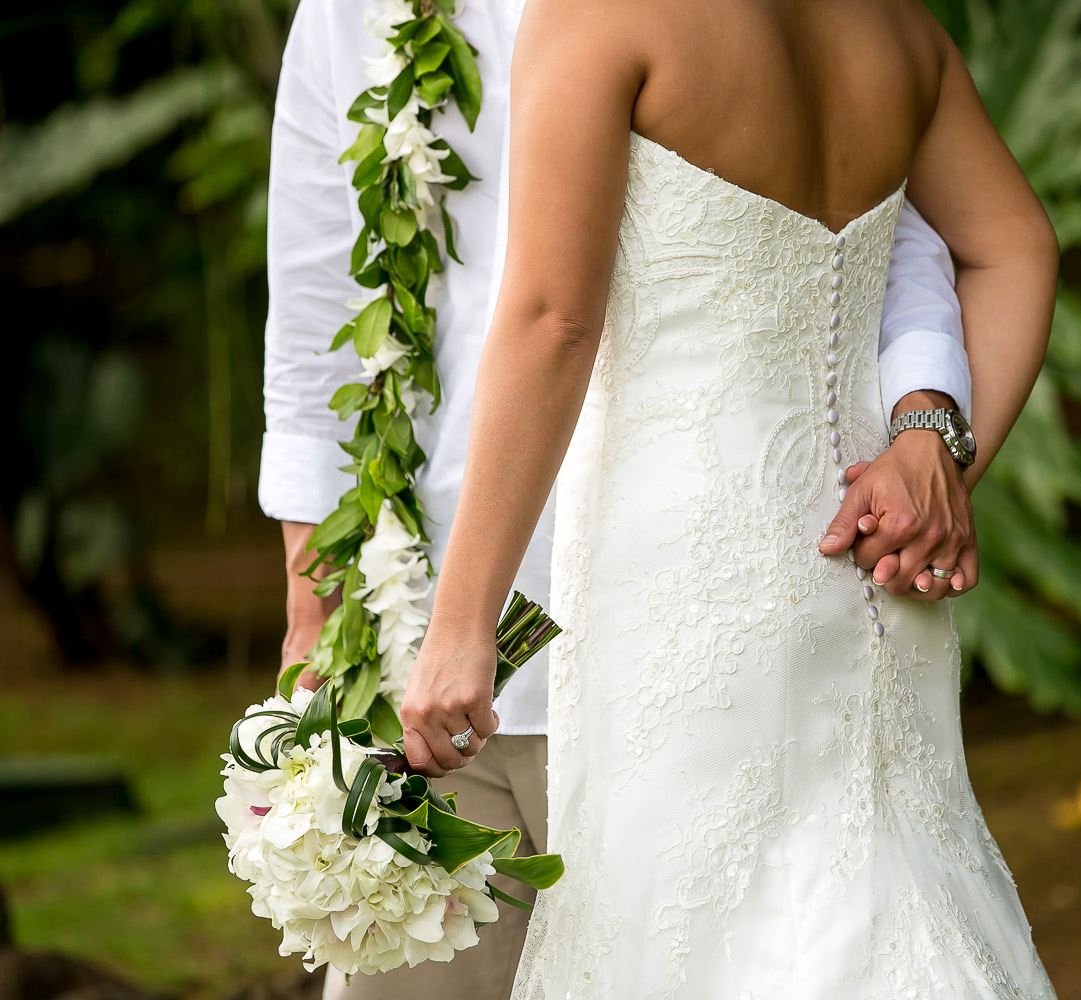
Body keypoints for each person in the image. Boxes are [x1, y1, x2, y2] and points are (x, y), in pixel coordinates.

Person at [260, 0, 984, 996]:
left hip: (672, 626)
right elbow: (312, 307)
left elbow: (884, 235)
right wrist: (318, 609)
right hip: (421, 633)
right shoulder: (355, 10)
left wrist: (926, 425)